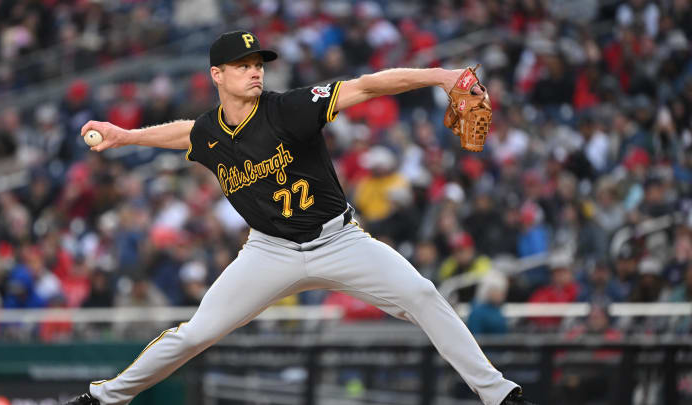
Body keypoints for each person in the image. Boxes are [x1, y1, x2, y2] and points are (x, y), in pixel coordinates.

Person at [66, 30, 535, 405]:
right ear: (217, 74)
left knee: (423, 294)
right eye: (242, 66)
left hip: (339, 241)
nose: (255, 72)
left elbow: (367, 86)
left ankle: (500, 396)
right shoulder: (210, 131)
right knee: (196, 333)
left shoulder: (289, 108)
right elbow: (186, 133)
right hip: (269, 251)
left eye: (257, 64)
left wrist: (441, 75)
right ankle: (104, 399)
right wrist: (125, 136)